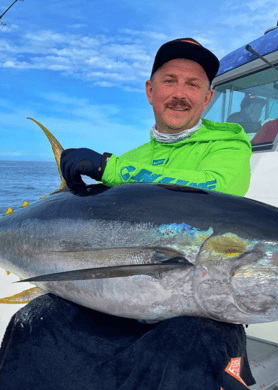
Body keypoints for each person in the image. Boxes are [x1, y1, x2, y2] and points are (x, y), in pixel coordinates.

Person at [0, 38, 255, 390]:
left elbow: (214, 187)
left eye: (193, 84)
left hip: (197, 309)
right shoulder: (135, 156)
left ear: (207, 97)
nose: (180, 93)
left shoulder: (229, 146)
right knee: (37, 321)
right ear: (150, 91)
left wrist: (109, 168)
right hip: (126, 300)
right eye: (169, 81)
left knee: (190, 341)